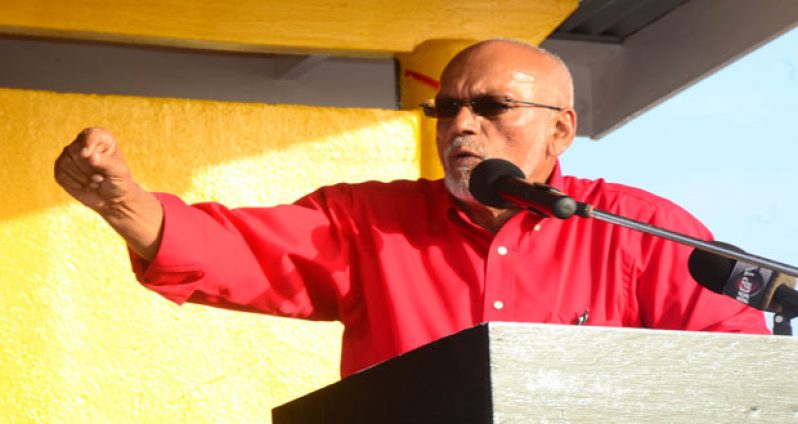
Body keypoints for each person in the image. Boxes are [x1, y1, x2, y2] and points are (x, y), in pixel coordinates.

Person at [53, 39, 769, 378]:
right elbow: (240, 252)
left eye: (492, 107)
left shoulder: (635, 229)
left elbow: (737, 375)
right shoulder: (371, 221)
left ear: (561, 129)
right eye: (447, 107)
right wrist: (126, 205)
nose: (461, 125)